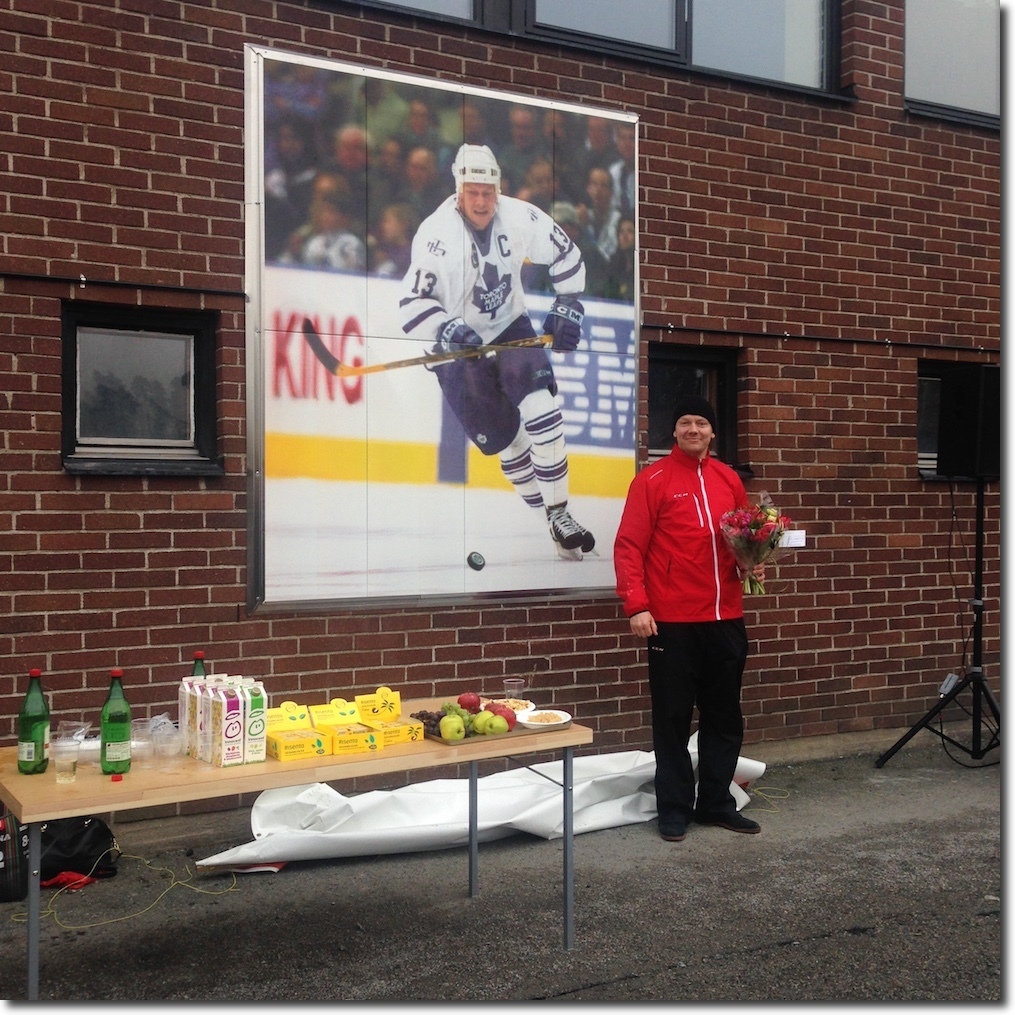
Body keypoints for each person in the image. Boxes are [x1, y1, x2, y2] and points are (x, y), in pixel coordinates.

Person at [398, 143, 596, 560]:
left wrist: (568, 304)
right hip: (458, 351)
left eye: (488, 191)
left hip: (509, 328)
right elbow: (413, 305)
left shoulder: (519, 215)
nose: (482, 200)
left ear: (498, 188)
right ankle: (552, 522)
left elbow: (566, 253)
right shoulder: (436, 237)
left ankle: (561, 512)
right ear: (458, 190)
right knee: (508, 443)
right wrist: (449, 328)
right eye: (473, 192)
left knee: (542, 409)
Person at [613, 395, 764, 841]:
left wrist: (750, 562)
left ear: (713, 433)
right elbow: (629, 546)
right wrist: (636, 605)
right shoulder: (652, 479)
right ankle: (674, 808)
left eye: (701, 422)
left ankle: (717, 802)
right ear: (674, 432)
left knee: (724, 716)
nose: (693, 429)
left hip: (725, 617)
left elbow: (740, 539)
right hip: (671, 621)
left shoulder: (728, 479)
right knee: (673, 718)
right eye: (684, 423)